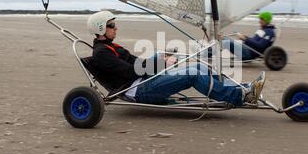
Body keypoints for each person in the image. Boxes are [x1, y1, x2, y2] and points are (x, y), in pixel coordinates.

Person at [87, 11, 266, 106]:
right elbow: (130, 71)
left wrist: (159, 58)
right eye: (112, 25)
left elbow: (134, 62)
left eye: (115, 24)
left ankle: (243, 88)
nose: (116, 28)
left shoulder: (110, 47)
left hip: (144, 79)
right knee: (193, 74)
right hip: (138, 90)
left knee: (200, 67)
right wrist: (160, 63)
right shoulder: (102, 53)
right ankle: (240, 96)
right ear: (101, 28)